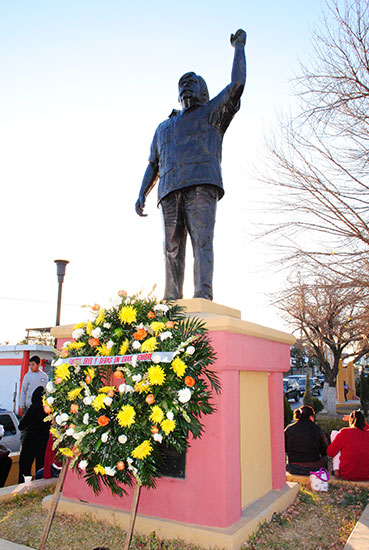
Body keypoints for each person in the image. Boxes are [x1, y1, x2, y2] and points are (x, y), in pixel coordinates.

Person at [135, 29, 247, 301]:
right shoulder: (164, 127)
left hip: (201, 186)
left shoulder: (212, 114)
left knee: (201, 242)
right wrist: (141, 192)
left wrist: (239, 48)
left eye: (191, 83)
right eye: (181, 84)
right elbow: (153, 163)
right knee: (171, 247)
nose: (185, 86)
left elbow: (236, 86)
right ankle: (171, 300)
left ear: (203, 91)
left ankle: (202, 296)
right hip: (170, 190)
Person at [18, 386, 50, 483]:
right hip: (44, 440)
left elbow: (22, 425)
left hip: (31, 440)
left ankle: (23, 483)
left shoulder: (34, 407)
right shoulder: (48, 408)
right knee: (40, 466)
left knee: (25, 464)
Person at [284, 405, 328, 475]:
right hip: (313, 467)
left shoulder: (289, 429)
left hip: (293, 467)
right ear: (311, 417)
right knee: (325, 459)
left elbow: (284, 447)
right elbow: (324, 450)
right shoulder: (317, 429)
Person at [327, 409, 369, 481]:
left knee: (334, 434)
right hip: (367, 475)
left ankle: (336, 469)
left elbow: (330, 452)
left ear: (351, 421)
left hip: (347, 474)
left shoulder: (345, 432)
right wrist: (359, 420)